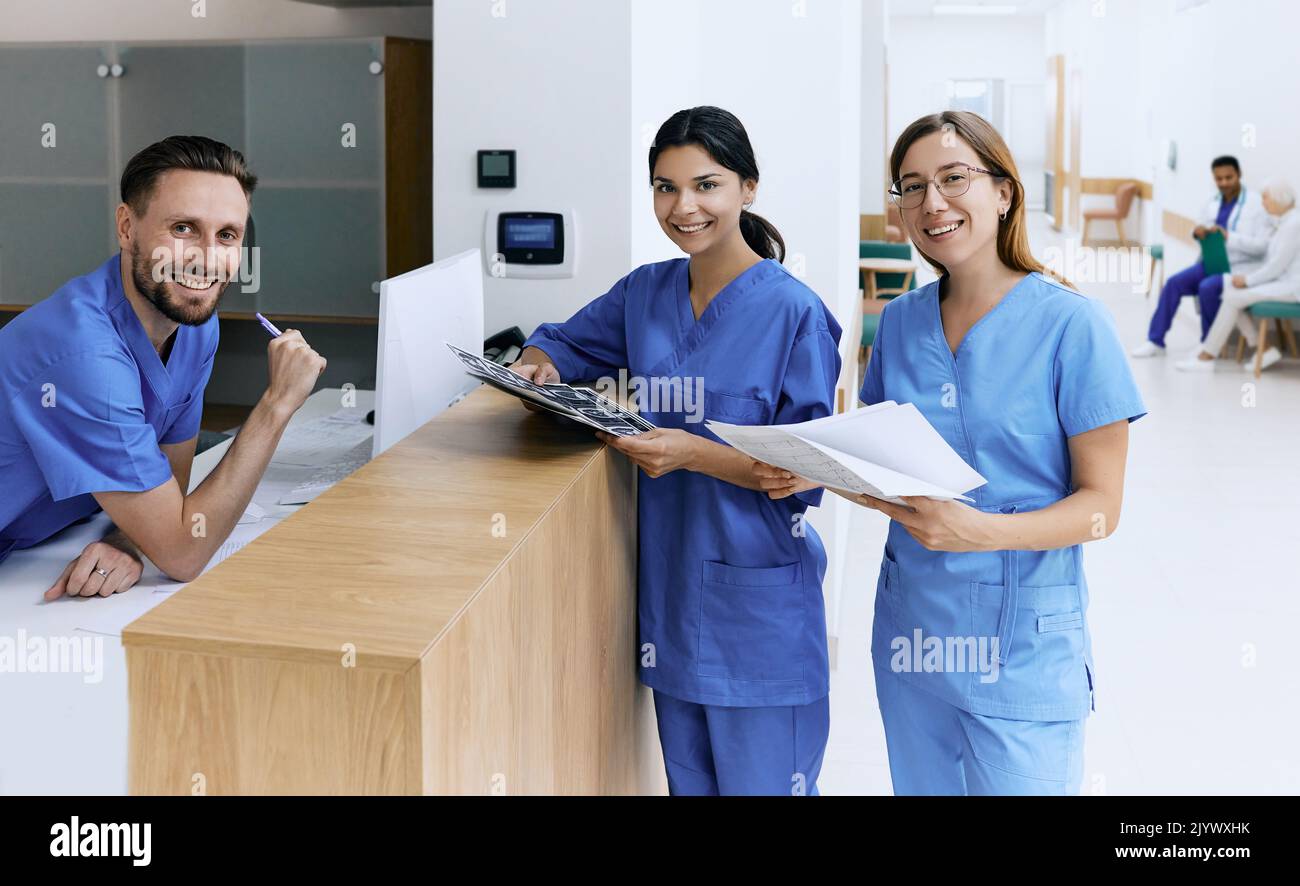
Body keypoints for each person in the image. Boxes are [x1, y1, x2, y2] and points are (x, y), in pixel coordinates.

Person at [767, 111, 1144, 795]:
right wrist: (813, 466)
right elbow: (888, 470)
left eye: (953, 178)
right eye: (912, 187)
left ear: (1004, 192)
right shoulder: (900, 321)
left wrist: (979, 531)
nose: (931, 202)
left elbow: (1101, 509)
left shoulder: (1073, 325)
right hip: (913, 631)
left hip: (1024, 646)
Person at [509, 107, 841, 795]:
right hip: (673, 607)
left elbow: (808, 472)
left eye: (706, 185)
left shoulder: (795, 314)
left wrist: (694, 453)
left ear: (748, 188)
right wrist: (536, 366)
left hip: (758, 619)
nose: (683, 206)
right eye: (666, 187)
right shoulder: (645, 292)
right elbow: (561, 342)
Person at [0, 135, 327, 598]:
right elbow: (182, 553)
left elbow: (172, 485)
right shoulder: (83, 356)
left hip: (39, 549)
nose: (206, 259)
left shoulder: (193, 323)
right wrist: (277, 404)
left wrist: (128, 537)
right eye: (183, 228)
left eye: (227, 235)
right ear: (126, 227)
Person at [1132, 155, 1274, 357]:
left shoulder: (1257, 205)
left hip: (1238, 268)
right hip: (1211, 263)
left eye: (1229, 177)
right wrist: (1198, 232)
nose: (1223, 183)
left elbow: (1262, 247)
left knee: (1206, 288)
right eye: (1219, 179)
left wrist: (1229, 237)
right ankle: (1155, 341)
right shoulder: (1211, 202)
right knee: (1173, 284)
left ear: (1239, 174)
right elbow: (1200, 225)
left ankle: (1207, 345)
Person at [1176, 180, 1299, 372]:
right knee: (1229, 287)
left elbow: (1276, 266)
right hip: (1281, 281)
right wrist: (1244, 278)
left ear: (1279, 199)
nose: (1263, 203)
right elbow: (1272, 262)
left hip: (1291, 287)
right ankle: (1263, 348)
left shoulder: (1293, 225)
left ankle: (1207, 356)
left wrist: (1248, 280)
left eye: (1265, 198)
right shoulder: (1283, 223)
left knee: (1233, 296)